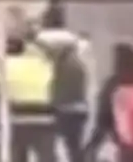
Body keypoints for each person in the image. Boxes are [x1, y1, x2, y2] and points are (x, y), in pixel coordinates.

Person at [35, 28, 91, 162]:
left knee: (56, 145)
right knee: (73, 145)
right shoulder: (79, 63)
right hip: (79, 108)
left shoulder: (64, 66)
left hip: (65, 109)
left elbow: (57, 88)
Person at [0, 35, 58, 162]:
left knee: (18, 155)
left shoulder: (6, 66)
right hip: (45, 117)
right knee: (47, 156)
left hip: (18, 118)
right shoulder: (44, 64)